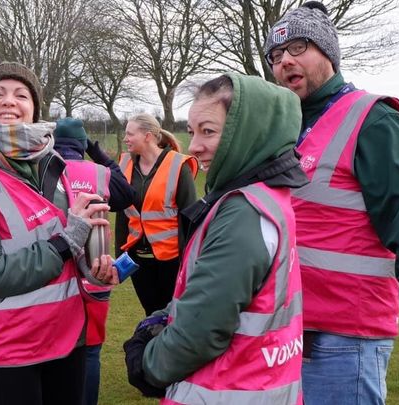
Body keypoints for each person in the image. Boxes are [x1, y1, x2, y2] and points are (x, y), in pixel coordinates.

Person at [264, 2, 399, 404]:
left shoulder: (371, 119)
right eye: (276, 56)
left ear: (328, 52)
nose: (285, 62)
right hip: (284, 334)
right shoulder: (284, 128)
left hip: (345, 342)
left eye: (298, 47)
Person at [0, 61, 118, 405]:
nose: (9, 101)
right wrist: (66, 242)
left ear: (34, 109)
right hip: (5, 350)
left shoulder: (53, 166)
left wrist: (95, 270)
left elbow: (71, 250)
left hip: (68, 341)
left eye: (21, 94)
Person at [123, 73, 309, 404]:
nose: (194, 146)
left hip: (227, 389)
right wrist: (170, 313)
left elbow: (203, 331)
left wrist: (145, 366)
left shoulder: (243, 212)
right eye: (192, 131)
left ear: (249, 133)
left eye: (208, 131)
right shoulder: (269, 195)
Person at [53, 117, 135, 405]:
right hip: (95, 272)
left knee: (50, 348)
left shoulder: (40, 169)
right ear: (81, 143)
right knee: (89, 351)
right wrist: (97, 152)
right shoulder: (100, 174)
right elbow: (127, 195)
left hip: (51, 274)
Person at [115, 113, 197, 316]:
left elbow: (190, 218)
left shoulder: (179, 165)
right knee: (151, 315)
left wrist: (188, 261)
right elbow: (122, 214)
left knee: (173, 316)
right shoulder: (124, 164)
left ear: (148, 136)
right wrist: (120, 255)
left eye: (130, 134)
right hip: (137, 260)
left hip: (171, 260)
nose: (125, 139)